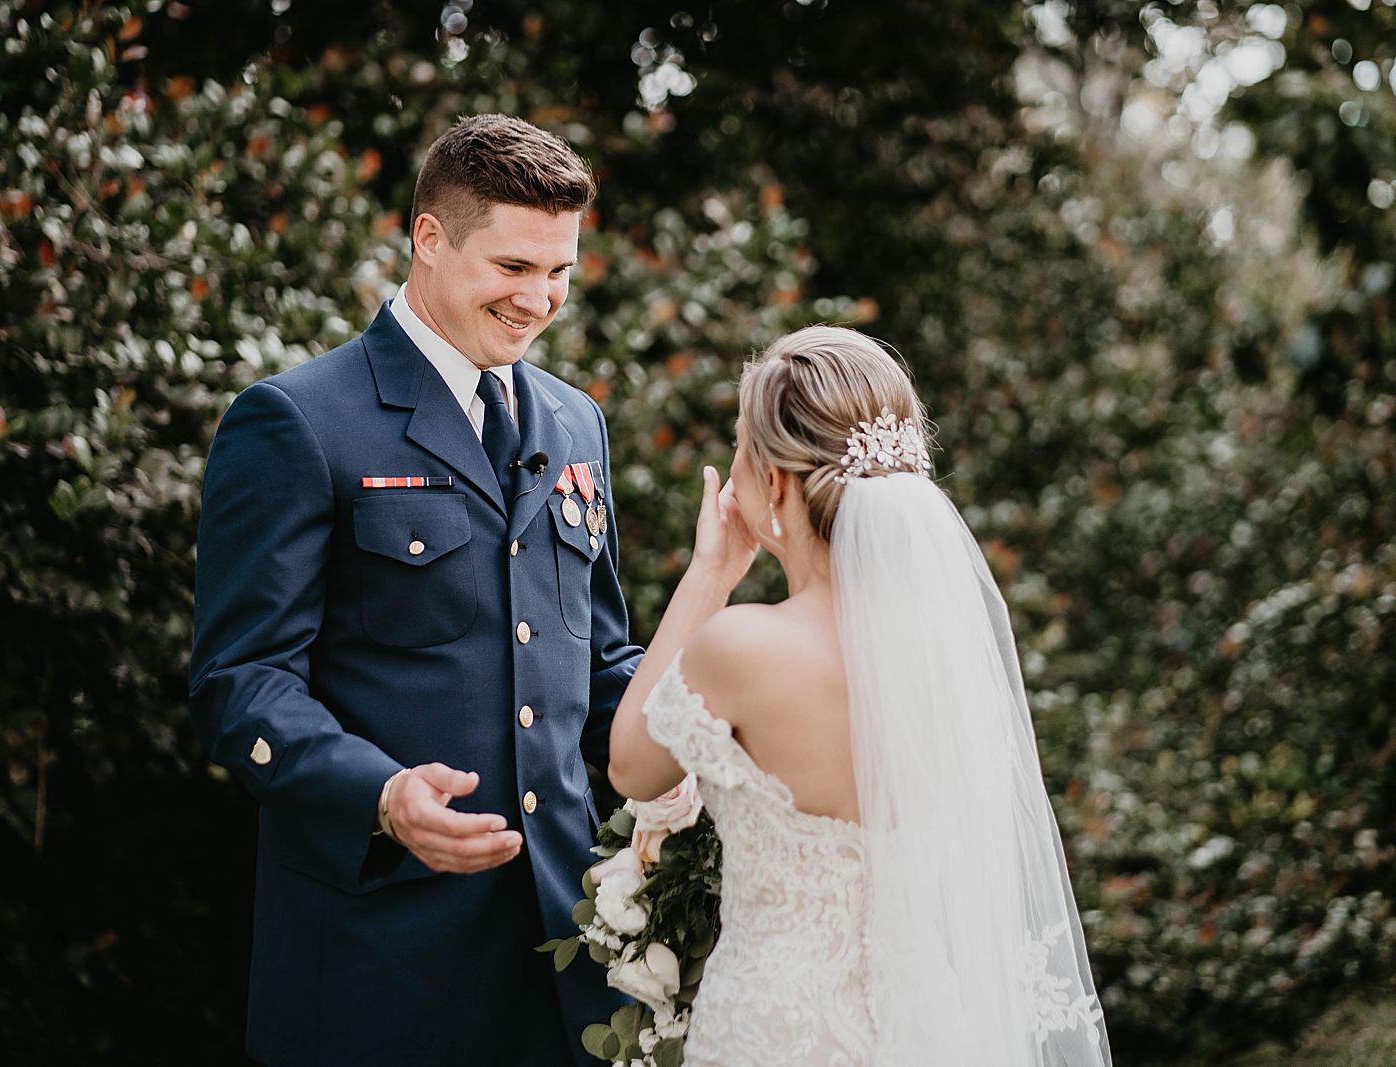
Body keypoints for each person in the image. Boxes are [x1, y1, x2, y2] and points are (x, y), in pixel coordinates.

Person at [189, 115, 640, 1067]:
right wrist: (383, 793)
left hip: (571, 961)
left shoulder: (575, 421)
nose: (541, 300)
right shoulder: (298, 422)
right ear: (428, 239)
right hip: (378, 966)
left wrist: (735, 742)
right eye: (514, 267)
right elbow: (241, 683)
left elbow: (599, 666)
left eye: (559, 272)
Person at [607, 326, 1112, 1067]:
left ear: (774, 480)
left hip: (774, 1032)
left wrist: (709, 576)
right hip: (932, 1030)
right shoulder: (946, 660)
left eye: (743, 446)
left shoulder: (741, 648)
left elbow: (630, 765)